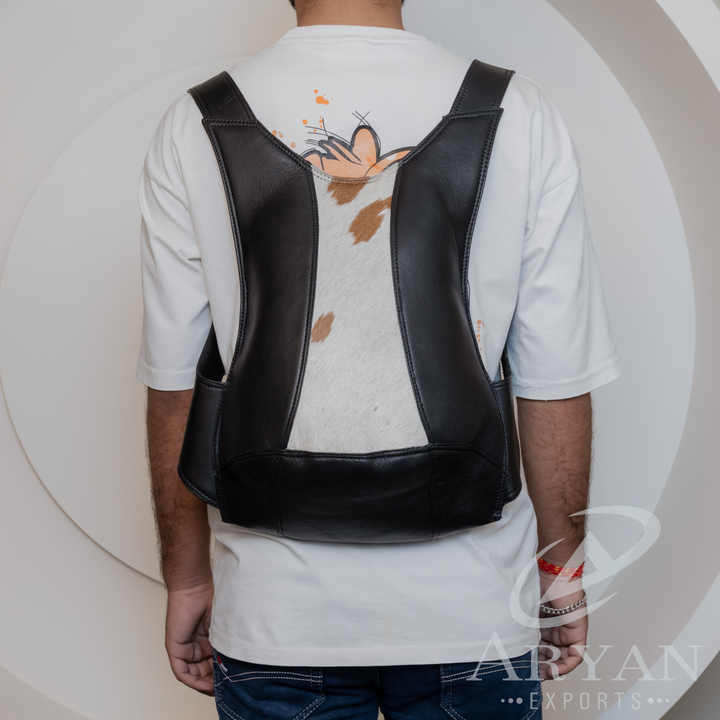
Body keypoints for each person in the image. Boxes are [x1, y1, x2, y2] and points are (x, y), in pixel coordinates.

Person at [136, 0, 621, 717]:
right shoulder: (519, 112)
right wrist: (561, 573)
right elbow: (555, 381)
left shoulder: (194, 122)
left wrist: (186, 578)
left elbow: (176, 385)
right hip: (475, 608)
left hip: (276, 617)